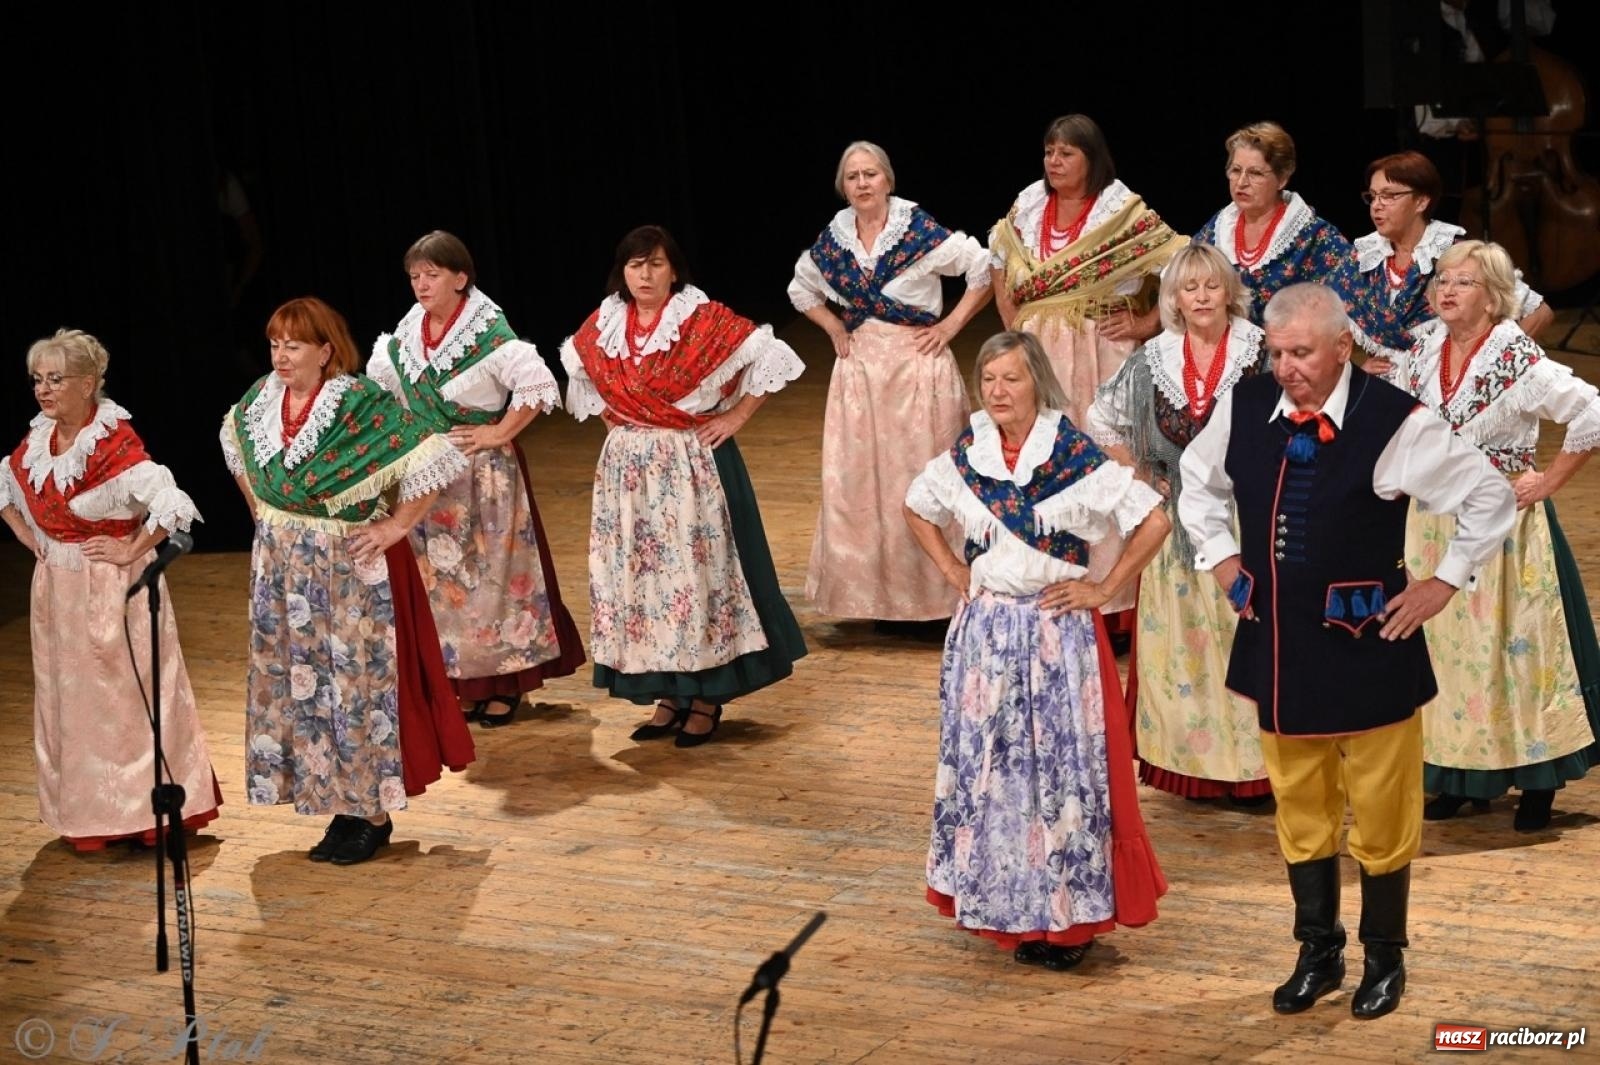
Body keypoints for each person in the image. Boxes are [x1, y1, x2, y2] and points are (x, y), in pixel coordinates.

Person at [1178, 282, 1515, 1019]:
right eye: (1276, 352)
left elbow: (1491, 496)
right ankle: (1318, 949)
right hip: (1277, 645)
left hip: (1369, 646)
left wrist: (1444, 582)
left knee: (1383, 807)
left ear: (1342, 348)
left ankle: (1385, 957)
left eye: (1301, 352)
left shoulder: (1396, 423)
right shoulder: (1244, 407)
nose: (1286, 366)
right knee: (1300, 804)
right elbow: (1195, 484)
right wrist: (1223, 559)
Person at [904, 331, 1170, 971]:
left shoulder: (1072, 454)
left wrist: (1105, 587)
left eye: (1011, 379)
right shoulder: (969, 452)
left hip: (1055, 638)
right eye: (988, 380)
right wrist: (953, 572)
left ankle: (1065, 920)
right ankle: (1003, 904)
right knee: (991, 775)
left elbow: (1155, 517)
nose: (998, 391)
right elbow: (918, 507)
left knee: (1058, 778)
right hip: (985, 638)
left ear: (1037, 383)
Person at [222, 297, 475, 865]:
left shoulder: (357, 404)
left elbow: (430, 456)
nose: (281, 356)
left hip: (346, 565)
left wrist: (397, 524)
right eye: (275, 344)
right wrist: (262, 512)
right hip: (285, 566)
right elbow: (234, 447)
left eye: (294, 345)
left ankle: (370, 813)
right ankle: (334, 805)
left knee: (353, 687)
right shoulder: (263, 401)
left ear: (325, 351)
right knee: (303, 686)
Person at [561, 225, 807, 746]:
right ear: (621, 272)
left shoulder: (699, 319)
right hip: (630, 475)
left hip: (689, 466)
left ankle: (706, 697)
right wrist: (622, 425)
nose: (644, 275)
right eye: (634, 265)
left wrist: (736, 416)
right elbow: (584, 379)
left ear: (674, 270)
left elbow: (772, 355)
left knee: (696, 579)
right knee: (643, 583)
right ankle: (668, 694)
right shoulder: (607, 322)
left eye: (654, 264)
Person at [1384, 241, 1599, 832]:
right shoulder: (1423, 349)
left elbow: (1591, 411)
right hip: (1432, 524)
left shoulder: (1513, 353)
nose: (1448, 291)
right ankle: (1461, 776)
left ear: (1494, 295)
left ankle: (1538, 779)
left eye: (1465, 283)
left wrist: (1548, 481)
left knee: (1515, 651)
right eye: (1443, 280)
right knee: (1450, 657)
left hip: (1501, 525)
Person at [1, 329, 220, 851]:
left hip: (111, 588)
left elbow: (173, 505)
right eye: (38, 380)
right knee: (69, 702)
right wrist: (36, 541)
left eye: (56, 380)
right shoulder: (37, 443)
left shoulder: (115, 445)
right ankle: (90, 818)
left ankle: (144, 815)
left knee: (125, 697)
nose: (44, 390)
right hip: (58, 588)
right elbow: (8, 493)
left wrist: (129, 549)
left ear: (89, 383)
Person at [370, 230, 585, 727]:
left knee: (493, 576)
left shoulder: (486, 329)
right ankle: (459, 680)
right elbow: (388, 394)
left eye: (433, 275)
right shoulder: (408, 334)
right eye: (415, 276)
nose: (422, 285)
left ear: (460, 278)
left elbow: (535, 383)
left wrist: (498, 432)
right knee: (442, 583)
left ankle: (503, 683)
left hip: (480, 477)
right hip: (427, 477)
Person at [1086, 243, 1270, 803]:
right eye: (1190, 289)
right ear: (1174, 299)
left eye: (1212, 286)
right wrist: (1141, 474)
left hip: (1247, 519)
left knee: (1249, 636)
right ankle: (1197, 766)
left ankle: (1260, 766)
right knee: (1185, 646)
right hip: (1177, 525)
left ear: (1229, 292)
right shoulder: (1154, 358)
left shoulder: (1260, 351)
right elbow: (1099, 417)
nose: (1202, 297)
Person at [989, 113, 1185, 626]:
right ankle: (1040, 586)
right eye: (1049, 151)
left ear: (1091, 158)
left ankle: (1113, 603)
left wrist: (1144, 323)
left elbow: (1179, 263)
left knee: (1108, 466)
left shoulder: (1120, 210)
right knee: (1039, 467)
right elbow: (999, 262)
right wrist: (1016, 330)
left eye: (1067, 152)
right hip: (1037, 357)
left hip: (1098, 356)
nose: (1054, 161)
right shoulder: (1030, 204)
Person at [789, 141, 991, 627]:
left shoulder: (916, 231)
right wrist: (835, 327)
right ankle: (878, 600)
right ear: (843, 186)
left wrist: (951, 326)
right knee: (865, 484)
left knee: (926, 475)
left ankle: (942, 598)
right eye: (853, 176)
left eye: (871, 174)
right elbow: (801, 288)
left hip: (916, 367)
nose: (862, 183)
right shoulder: (835, 240)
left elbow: (983, 268)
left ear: (888, 181)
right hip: (860, 374)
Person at [1343, 151, 1551, 369]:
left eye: (1389, 196)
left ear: (1421, 201)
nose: (1376, 205)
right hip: (1391, 389)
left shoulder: (1454, 251)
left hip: (1446, 388)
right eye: (1373, 196)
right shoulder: (1367, 257)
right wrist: (1358, 373)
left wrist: (1484, 365)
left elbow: (1540, 314)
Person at [1194, 122, 1352, 326]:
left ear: (1282, 179)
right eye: (1235, 170)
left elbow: (1358, 297)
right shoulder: (1218, 227)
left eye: (1255, 173)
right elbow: (1182, 279)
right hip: (1224, 350)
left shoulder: (1314, 235)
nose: (1241, 182)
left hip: (1291, 351)